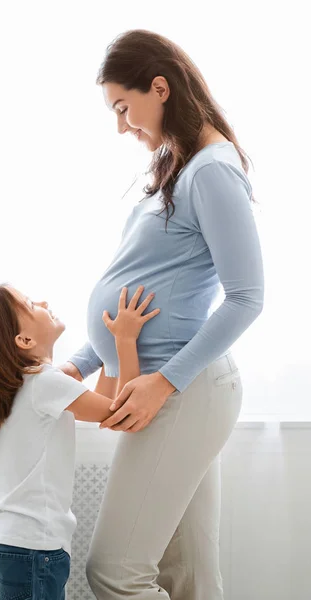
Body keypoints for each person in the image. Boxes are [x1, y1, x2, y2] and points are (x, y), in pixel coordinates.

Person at [59, 29, 264, 599]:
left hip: (181, 388)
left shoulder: (213, 170)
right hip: (173, 386)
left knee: (114, 572)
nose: (123, 126)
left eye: (124, 108)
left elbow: (248, 296)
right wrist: (80, 361)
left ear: (159, 87)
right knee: (189, 577)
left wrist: (164, 383)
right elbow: (142, 285)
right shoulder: (180, 165)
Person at [0, 283, 159, 600]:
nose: (43, 301)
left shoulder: (30, 385)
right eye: (29, 302)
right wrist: (124, 340)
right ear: (24, 340)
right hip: (35, 550)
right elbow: (121, 413)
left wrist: (110, 351)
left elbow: (103, 403)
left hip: (21, 548)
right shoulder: (43, 383)